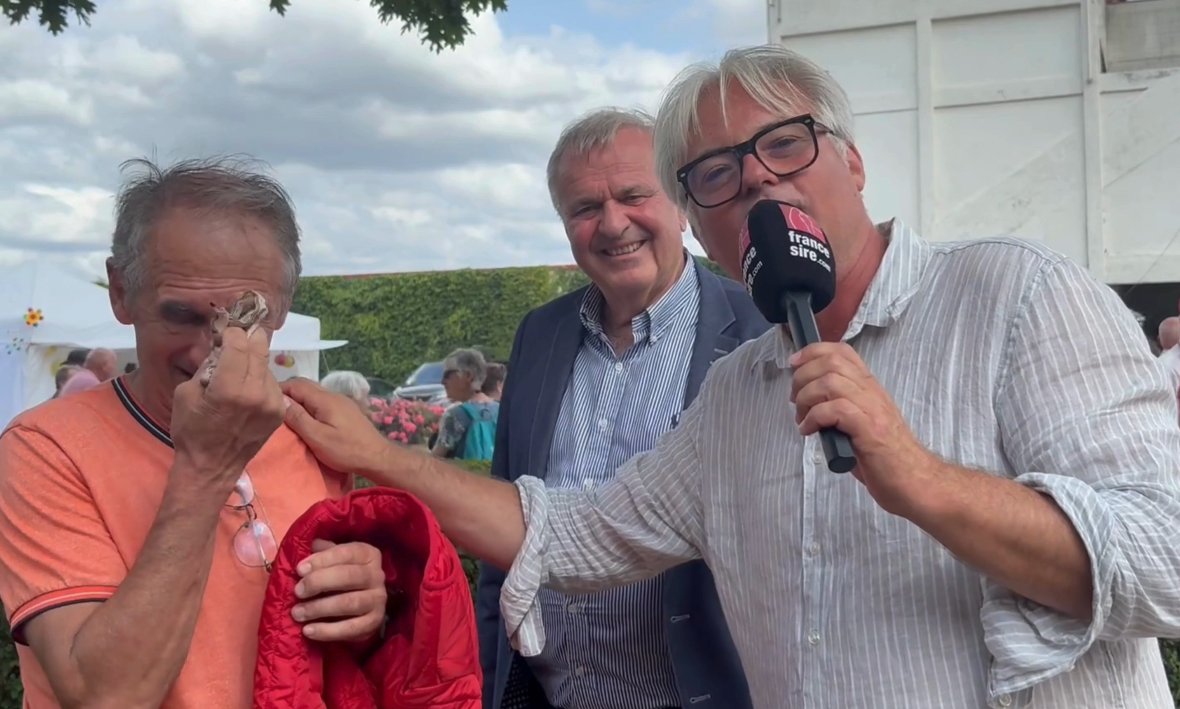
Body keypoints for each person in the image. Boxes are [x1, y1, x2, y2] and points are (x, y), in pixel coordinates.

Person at [279, 45, 1180, 709]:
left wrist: (923, 480)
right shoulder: (737, 393)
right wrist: (378, 456)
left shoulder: (1019, 294)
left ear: (853, 161)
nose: (753, 179)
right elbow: (576, 534)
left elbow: (1166, 561)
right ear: (703, 221)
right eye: (714, 172)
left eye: (784, 143)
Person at [0, 156, 388, 708]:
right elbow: (105, 697)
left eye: (248, 318)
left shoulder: (313, 434)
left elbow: (335, 651)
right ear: (120, 292)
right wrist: (207, 467)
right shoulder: (46, 448)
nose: (213, 351)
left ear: (284, 307)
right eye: (181, 315)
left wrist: (367, 609)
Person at [474, 107, 766, 709]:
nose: (612, 224)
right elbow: (504, 514)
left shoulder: (758, 330)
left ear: (681, 206)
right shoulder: (540, 335)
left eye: (634, 195)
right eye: (585, 208)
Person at [432, 348, 498, 461]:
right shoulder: (501, 410)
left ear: (468, 376)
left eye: (448, 375)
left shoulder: (457, 415)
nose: (442, 381)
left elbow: (434, 460)